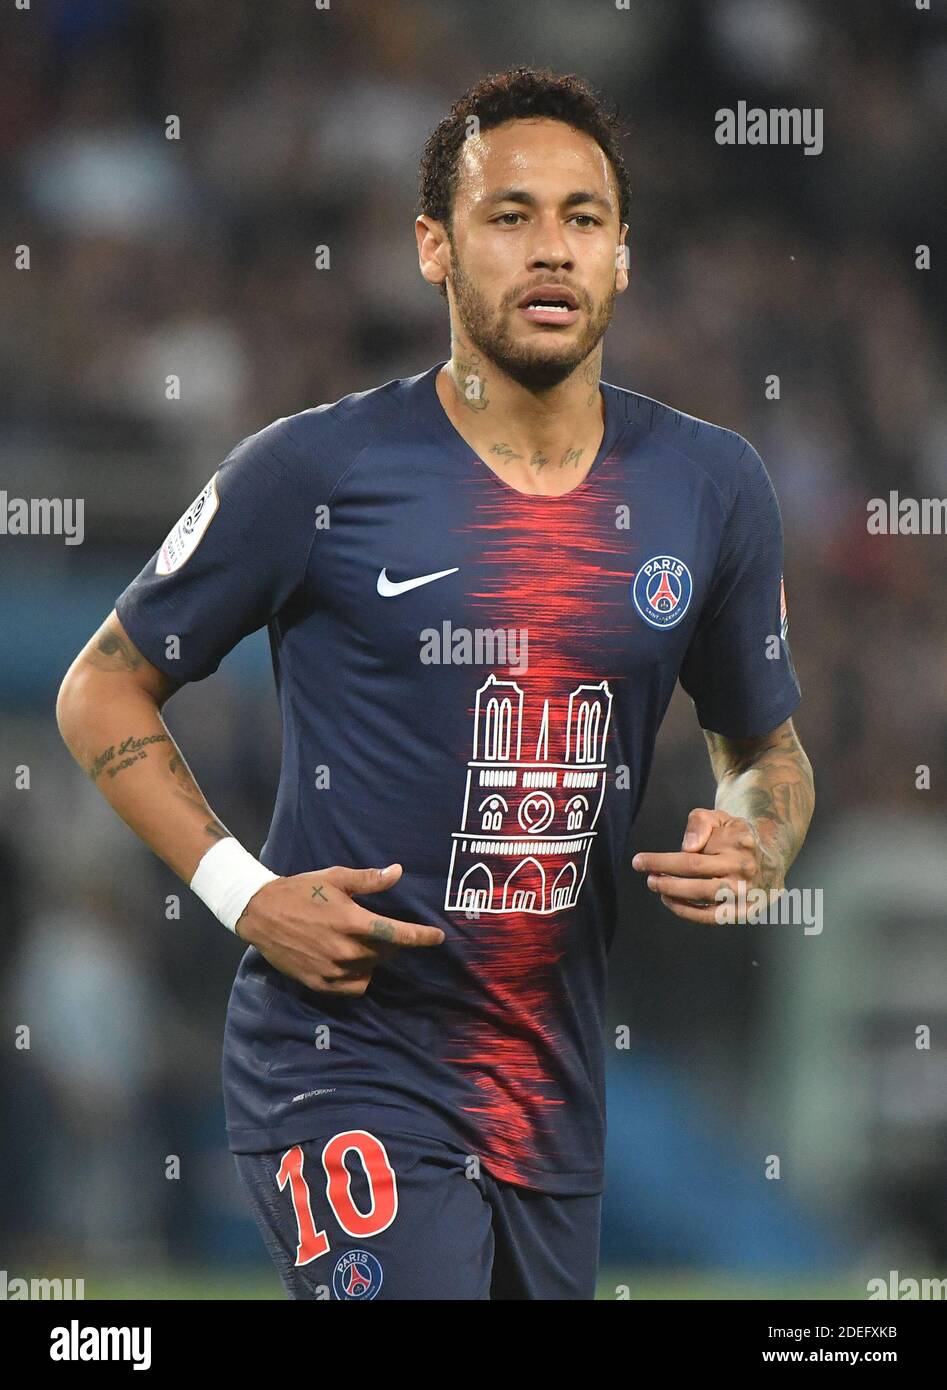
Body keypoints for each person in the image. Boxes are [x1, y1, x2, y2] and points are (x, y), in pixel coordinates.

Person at [56, 66, 814, 1300]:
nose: (550, 250)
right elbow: (99, 689)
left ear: (623, 253)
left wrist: (759, 838)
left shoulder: (709, 486)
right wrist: (247, 895)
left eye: (582, 217)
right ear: (433, 247)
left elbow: (766, 756)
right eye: (508, 215)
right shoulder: (314, 469)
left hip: (545, 1085)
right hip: (339, 1056)